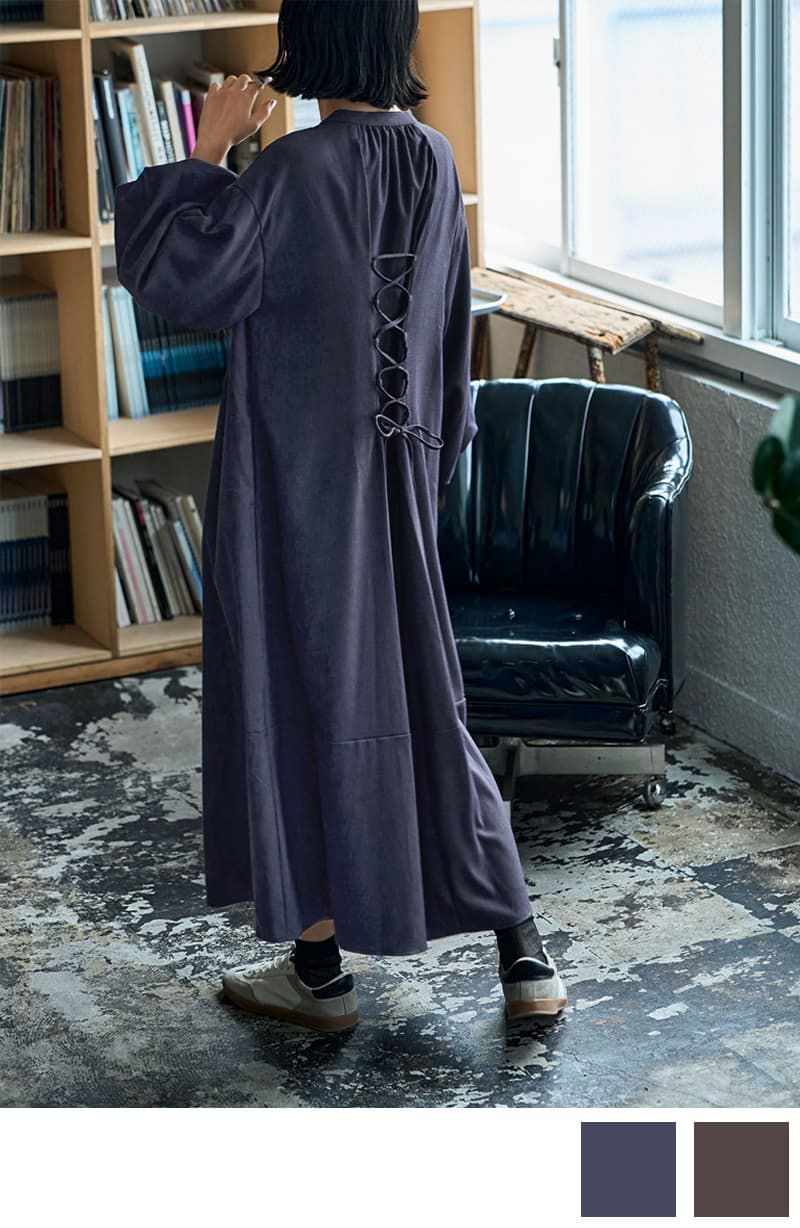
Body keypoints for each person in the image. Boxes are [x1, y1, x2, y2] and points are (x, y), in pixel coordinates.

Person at [114, 0, 567, 1032]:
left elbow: (186, 279)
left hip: (293, 492)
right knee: (423, 699)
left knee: (292, 695)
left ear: (310, 41)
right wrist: (424, 472)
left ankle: (319, 974)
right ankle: (523, 957)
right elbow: (448, 341)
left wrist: (206, 151)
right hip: (404, 481)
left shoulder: (290, 171)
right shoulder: (434, 159)